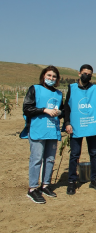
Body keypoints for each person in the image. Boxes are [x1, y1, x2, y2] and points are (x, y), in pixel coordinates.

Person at [20, 65, 63, 204]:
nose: (51, 78)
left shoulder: (58, 94)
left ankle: (45, 185)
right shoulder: (35, 89)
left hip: (52, 129)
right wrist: (44, 110)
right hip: (38, 129)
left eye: (54, 76)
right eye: (49, 75)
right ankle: (32, 188)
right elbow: (27, 108)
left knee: (50, 159)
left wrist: (59, 113)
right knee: (36, 159)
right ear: (43, 76)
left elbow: (60, 110)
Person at [64, 64, 96, 195]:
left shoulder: (95, 88)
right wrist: (67, 123)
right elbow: (67, 106)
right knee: (74, 154)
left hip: (92, 126)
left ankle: (94, 178)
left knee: (93, 153)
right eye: (85, 73)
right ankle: (72, 181)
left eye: (89, 74)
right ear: (79, 74)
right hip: (76, 126)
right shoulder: (71, 88)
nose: (87, 76)